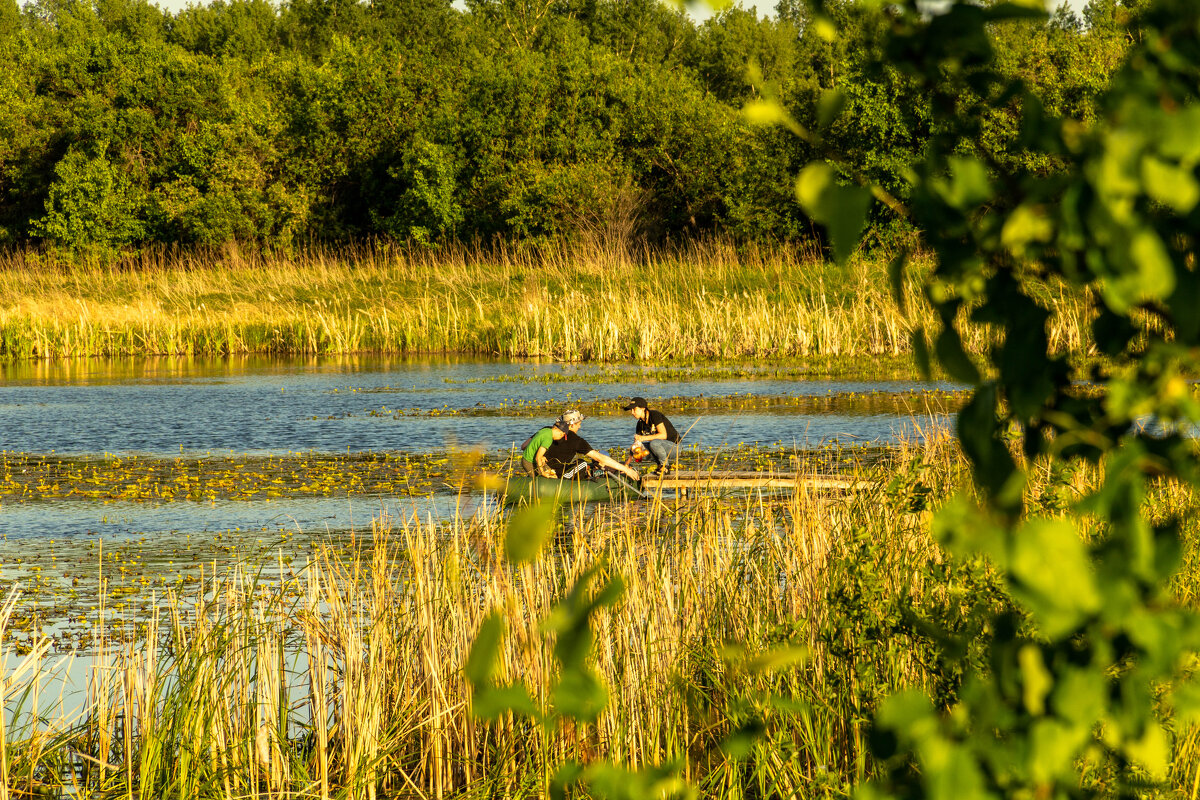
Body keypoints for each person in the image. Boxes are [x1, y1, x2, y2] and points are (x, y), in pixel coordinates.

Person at [544, 409, 640, 482]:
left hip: (542, 469)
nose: (580, 426)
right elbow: (600, 458)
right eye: (579, 424)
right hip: (559, 474)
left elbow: (529, 443)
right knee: (583, 463)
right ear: (572, 425)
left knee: (581, 463)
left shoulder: (547, 430)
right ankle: (566, 481)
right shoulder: (576, 440)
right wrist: (626, 470)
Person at [622, 396, 682, 473]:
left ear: (643, 408)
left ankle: (665, 466)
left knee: (654, 443)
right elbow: (636, 445)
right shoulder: (640, 424)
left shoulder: (654, 415)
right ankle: (660, 466)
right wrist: (626, 465)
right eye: (631, 410)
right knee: (640, 448)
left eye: (634, 409)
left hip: (674, 447)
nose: (632, 412)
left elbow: (663, 435)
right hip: (659, 447)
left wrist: (643, 438)